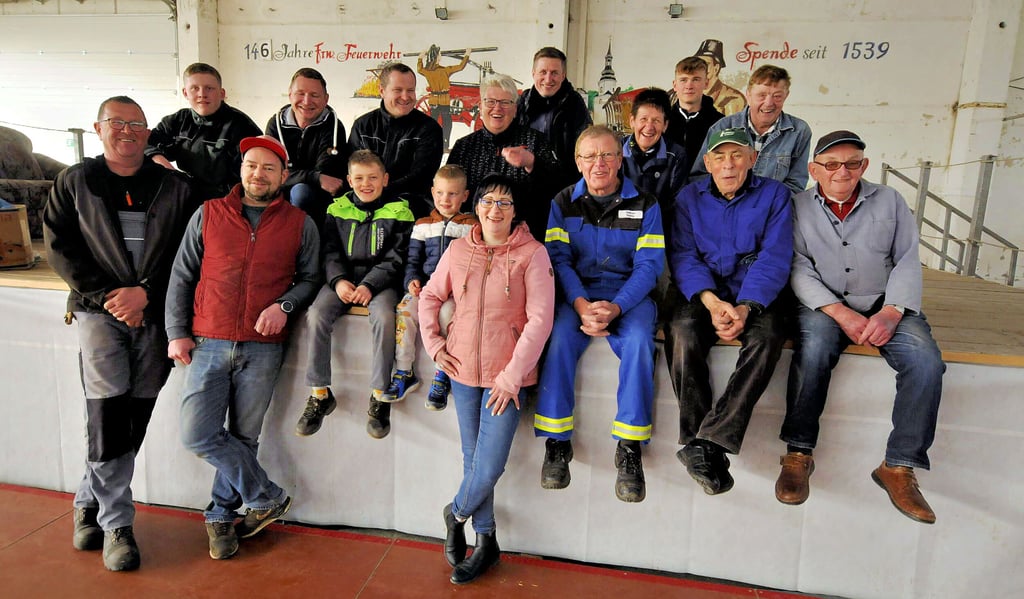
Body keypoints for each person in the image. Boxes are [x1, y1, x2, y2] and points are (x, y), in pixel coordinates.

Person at [43, 95, 195, 572]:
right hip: (97, 313)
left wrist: (146, 294)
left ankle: (87, 503)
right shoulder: (76, 182)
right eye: (117, 123)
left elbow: (188, 250)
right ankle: (116, 524)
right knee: (108, 413)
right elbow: (59, 247)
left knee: (137, 413)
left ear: (149, 133)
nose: (127, 131)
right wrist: (112, 294)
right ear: (97, 128)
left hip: (155, 315)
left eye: (136, 124)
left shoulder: (175, 187)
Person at [776, 130, 945, 523]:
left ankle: (899, 466)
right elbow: (797, 266)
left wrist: (892, 311)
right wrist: (839, 312)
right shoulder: (798, 206)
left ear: (864, 166)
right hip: (826, 305)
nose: (842, 172)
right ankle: (798, 454)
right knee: (813, 350)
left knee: (925, 362)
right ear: (814, 169)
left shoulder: (890, 200)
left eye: (852, 163)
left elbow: (907, 258)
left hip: (886, 302)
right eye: (831, 164)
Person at [166, 135, 319, 560]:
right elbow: (182, 276)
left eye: (269, 168)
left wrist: (284, 305)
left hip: (264, 346)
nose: (259, 174)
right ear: (241, 170)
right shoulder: (209, 214)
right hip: (208, 339)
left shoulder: (299, 222)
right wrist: (176, 331)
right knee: (197, 434)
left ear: (283, 176)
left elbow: (310, 278)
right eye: (252, 165)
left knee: (244, 436)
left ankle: (220, 515)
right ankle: (265, 495)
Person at [419, 173, 555, 585]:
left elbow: (540, 319)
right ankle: (486, 541)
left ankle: (455, 512)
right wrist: (435, 347)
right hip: (462, 370)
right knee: (472, 459)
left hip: (505, 378)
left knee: (489, 465)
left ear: (516, 212)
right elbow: (429, 296)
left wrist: (512, 377)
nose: (495, 209)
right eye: (488, 201)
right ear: (476, 205)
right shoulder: (459, 250)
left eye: (504, 203)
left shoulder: (533, 254)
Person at [535, 125, 664, 503]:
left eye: (607, 154)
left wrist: (617, 306)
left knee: (641, 343)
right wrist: (579, 304)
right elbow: (557, 260)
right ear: (578, 162)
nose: (599, 163)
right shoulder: (562, 203)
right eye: (589, 156)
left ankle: (629, 448)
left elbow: (649, 265)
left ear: (620, 157)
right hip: (577, 295)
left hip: (629, 297)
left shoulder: (646, 203)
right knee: (557, 339)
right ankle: (557, 444)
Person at [667, 127, 792, 495]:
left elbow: (774, 257)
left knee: (768, 337)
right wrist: (711, 302)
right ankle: (701, 442)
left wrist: (744, 307)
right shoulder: (689, 198)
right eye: (719, 157)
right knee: (682, 332)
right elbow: (683, 255)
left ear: (753, 159)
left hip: (754, 295)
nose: (728, 164)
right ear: (707, 163)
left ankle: (707, 442)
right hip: (703, 293)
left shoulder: (775, 196)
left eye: (737, 155)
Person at [295, 150, 414, 439]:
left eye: (373, 177)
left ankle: (378, 394)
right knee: (316, 313)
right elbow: (330, 251)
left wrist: (370, 285)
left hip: (381, 283)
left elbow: (397, 258)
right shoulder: (337, 209)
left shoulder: (401, 210)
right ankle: (320, 393)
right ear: (349, 180)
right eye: (359, 178)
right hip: (343, 280)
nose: (366, 183)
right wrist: (338, 281)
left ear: (385, 179)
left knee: (386, 317)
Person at [395, 164, 476, 411]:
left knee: (448, 315)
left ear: (465, 196)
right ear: (432, 192)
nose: (445, 199)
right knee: (405, 309)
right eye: (440, 193)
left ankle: (442, 373)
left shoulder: (471, 226)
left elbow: (473, 263)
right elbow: (412, 260)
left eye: (452, 194)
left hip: (454, 293)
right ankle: (403, 371)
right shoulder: (422, 224)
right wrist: (411, 280)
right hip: (426, 289)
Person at [447, 74, 560, 241]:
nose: (497, 108)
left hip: (524, 241)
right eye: (490, 101)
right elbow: (449, 194)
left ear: (515, 109)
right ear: (480, 106)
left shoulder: (536, 141)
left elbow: (555, 191)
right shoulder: (464, 146)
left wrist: (532, 163)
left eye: (505, 102)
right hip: (472, 239)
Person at [146, 62, 262, 201]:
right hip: (185, 194)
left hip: (226, 199)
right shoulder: (177, 121)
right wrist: (165, 165)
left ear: (222, 93)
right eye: (195, 88)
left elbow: (255, 171)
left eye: (209, 88)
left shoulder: (241, 126)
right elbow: (146, 144)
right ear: (185, 93)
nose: (202, 94)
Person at [693, 65, 812, 195]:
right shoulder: (722, 127)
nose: (768, 103)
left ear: (786, 96)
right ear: (748, 95)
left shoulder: (799, 131)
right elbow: (700, 176)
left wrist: (764, 206)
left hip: (772, 210)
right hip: (726, 207)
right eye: (761, 95)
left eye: (777, 96)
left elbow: (795, 184)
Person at [348, 62, 444, 219]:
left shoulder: (429, 128)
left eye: (410, 90)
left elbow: (421, 178)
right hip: (365, 203)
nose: (405, 97)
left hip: (410, 206)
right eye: (398, 90)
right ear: (382, 91)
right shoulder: (363, 126)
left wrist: (382, 193)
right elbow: (356, 170)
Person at [265, 68, 348, 225]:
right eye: (300, 94)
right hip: (280, 190)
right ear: (290, 95)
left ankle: (302, 241)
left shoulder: (334, 126)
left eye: (315, 95)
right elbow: (271, 171)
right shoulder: (275, 124)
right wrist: (315, 177)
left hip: (314, 197)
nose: (307, 101)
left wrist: (312, 177)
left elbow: (327, 176)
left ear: (326, 99)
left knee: (301, 192)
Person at [514, 46, 593, 191]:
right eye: (543, 72)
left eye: (554, 73)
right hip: (527, 188)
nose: (548, 79)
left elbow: (587, 147)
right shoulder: (523, 102)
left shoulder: (575, 103)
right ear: (533, 73)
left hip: (565, 189)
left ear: (563, 75)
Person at [620, 87, 688, 232]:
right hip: (618, 230)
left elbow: (678, 206)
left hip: (658, 232)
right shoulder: (615, 149)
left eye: (656, 121)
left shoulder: (676, 156)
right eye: (643, 119)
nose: (649, 127)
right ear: (632, 121)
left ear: (665, 125)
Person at [664, 56, 725, 176]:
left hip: (704, 190)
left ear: (706, 83)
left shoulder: (720, 123)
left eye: (696, 79)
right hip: (666, 191)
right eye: (683, 80)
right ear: (675, 85)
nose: (689, 86)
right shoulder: (662, 120)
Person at [417, 45, 471, 150]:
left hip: (434, 100)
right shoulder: (445, 70)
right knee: (447, 123)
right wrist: (467, 54)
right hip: (444, 100)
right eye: (439, 54)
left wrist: (420, 57)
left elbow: (419, 69)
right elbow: (460, 67)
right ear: (437, 57)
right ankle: (445, 146)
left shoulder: (427, 71)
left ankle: (430, 144)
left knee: (433, 123)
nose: (441, 56)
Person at [692, 39, 746, 116]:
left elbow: (732, 126)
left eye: (706, 64)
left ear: (716, 68)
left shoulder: (732, 99)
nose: (699, 68)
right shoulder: (683, 94)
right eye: (697, 63)